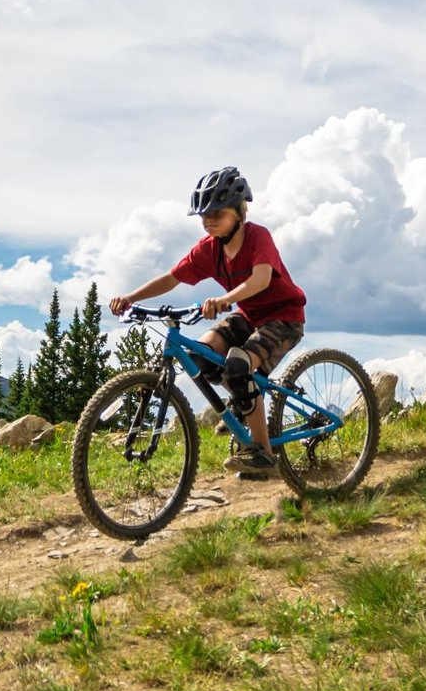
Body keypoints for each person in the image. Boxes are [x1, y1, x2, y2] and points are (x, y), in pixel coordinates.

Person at [109, 167, 306, 475]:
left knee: (239, 366)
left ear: (240, 212)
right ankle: (244, 406)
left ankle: (263, 453)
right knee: (201, 354)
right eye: (204, 215)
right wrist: (132, 298)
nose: (209, 221)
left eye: (217, 213)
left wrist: (227, 300)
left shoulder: (257, 237)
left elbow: (262, 279)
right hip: (249, 316)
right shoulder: (208, 250)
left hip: (284, 317)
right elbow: (172, 279)